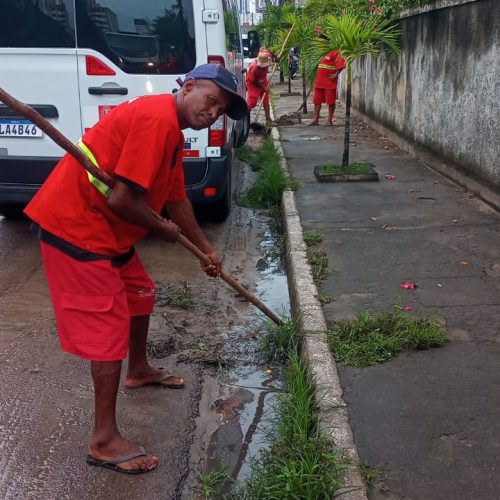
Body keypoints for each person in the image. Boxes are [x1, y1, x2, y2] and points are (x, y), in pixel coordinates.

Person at [23, 64, 247, 475]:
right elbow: (122, 200)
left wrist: (206, 250)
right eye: (212, 100)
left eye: (221, 110)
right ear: (189, 86)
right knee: (107, 330)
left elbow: (177, 199)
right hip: (77, 227)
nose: (213, 113)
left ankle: (139, 369)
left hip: (107, 231)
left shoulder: (172, 131)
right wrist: (160, 228)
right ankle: (103, 441)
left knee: (141, 290)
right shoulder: (155, 120)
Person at [309, 49, 346, 126]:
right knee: (316, 101)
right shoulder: (322, 50)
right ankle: (315, 120)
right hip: (319, 81)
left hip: (330, 82)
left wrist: (336, 74)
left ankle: (329, 120)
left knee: (331, 101)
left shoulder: (336, 52)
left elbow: (341, 64)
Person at [245, 48, 274, 125]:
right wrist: (262, 88)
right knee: (252, 101)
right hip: (252, 83)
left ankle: (268, 119)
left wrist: (276, 57)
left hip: (263, 81)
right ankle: (244, 116)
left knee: (266, 99)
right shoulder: (254, 68)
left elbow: (268, 51)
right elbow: (254, 81)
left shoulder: (266, 56)